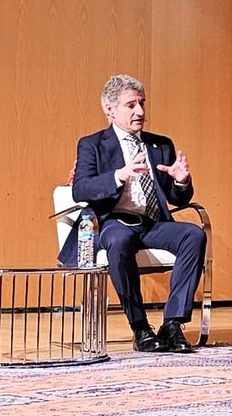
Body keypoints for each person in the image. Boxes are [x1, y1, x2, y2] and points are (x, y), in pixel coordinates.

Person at [60, 73, 207, 353]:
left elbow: (178, 198)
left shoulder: (160, 144)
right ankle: (140, 327)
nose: (140, 111)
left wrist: (180, 181)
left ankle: (173, 324)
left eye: (142, 103)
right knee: (119, 240)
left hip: (153, 223)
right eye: (131, 105)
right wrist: (119, 175)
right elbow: (80, 189)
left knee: (193, 234)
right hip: (114, 222)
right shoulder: (92, 144)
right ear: (110, 109)